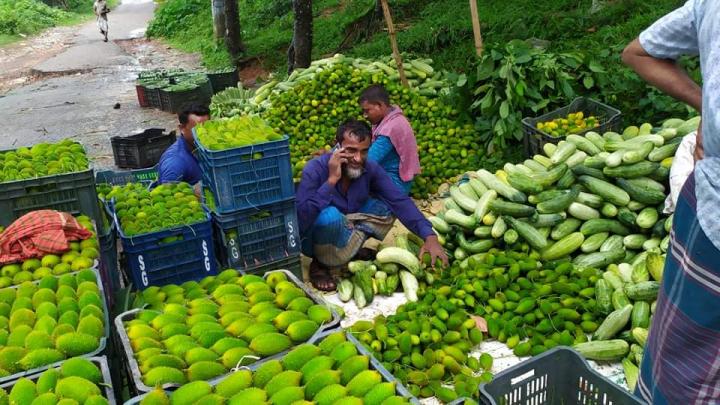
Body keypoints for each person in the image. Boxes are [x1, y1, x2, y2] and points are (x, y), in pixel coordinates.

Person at [621, 1, 719, 403]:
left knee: (680, 367)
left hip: (709, 215)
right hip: (711, 211)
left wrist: (705, 108)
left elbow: (637, 51)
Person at [296, 119, 447, 291]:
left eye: (364, 151)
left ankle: (350, 251)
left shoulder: (370, 168)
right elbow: (301, 218)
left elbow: (399, 200)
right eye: (351, 151)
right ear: (337, 146)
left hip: (347, 226)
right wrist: (331, 180)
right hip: (313, 237)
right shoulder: (315, 168)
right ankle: (320, 264)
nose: (358, 158)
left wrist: (429, 236)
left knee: (385, 207)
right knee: (329, 216)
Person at [359, 85, 421, 195]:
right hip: (383, 181)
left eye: (367, 111)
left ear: (380, 105)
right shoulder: (388, 120)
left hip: (393, 188)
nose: (365, 116)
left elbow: (367, 161)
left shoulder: (390, 129)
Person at [157, 104, 210, 187]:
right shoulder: (174, 163)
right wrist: (193, 192)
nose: (204, 133)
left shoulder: (206, 147)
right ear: (182, 129)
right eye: (197, 130)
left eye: (207, 128)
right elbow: (168, 194)